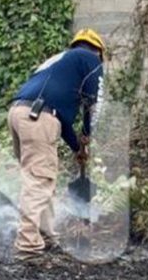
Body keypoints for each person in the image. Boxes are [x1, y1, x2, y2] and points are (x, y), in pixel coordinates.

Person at [8, 28, 105, 260]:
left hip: (18, 112)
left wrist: (76, 147)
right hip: (40, 117)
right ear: (99, 51)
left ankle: (46, 234)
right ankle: (27, 246)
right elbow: (95, 104)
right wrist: (88, 135)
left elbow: (59, 116)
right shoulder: (92, 60)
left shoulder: (57, 62)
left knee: (41, 177)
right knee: (39, 180)